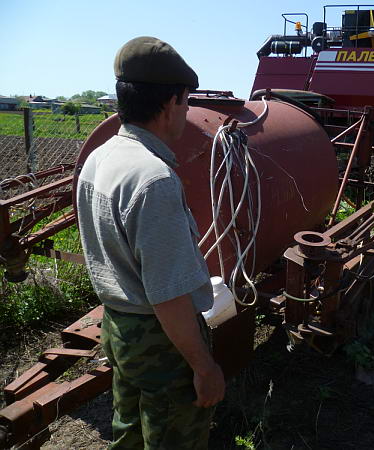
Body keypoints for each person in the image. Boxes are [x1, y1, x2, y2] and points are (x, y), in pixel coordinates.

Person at [76, 36, 225, 449]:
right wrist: (203, 366)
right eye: (187, 100)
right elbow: (169, 295)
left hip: (119, 327)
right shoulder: (153, 178)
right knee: (173, 437)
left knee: (128, 431)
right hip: (162, 341)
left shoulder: (100, 157)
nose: (188, 110)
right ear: (170, 103)